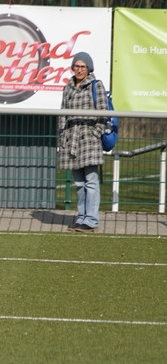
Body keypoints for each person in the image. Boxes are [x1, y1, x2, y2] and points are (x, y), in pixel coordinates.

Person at [58, 51, 108, 232]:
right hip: (71, 140)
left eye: (83, 67)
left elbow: (104, 112)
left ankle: (91, 220)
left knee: (91, 180)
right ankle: (81, 217)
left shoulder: (96, 85)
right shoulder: (68, 87)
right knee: (79, 183)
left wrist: (96, 133)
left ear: (89, 68)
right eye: (76, 66)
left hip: (89, 140)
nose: (79, 70)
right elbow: (63, 113)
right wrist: (62, 136)